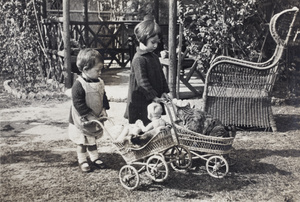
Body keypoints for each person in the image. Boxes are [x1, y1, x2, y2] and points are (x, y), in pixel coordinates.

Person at [68, 48, 110, 172]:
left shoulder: (100, 82)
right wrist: (87, 115)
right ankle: (82, 160)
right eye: (97, 70)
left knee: (92, 139)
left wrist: (104, 108)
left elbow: (103, 96)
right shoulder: (79, 85)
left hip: (95, 116)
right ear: (86, 69)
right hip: (81, 119)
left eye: (101, 69)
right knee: (82, 142)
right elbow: (78, 103)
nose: (100, 73)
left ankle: (95, 158)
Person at [124, 19, 170, 126]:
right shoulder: (139, 59)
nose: (155, 46)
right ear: (142, 39)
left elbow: (161, 75)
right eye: (152, 42)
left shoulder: (153, 56)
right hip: (141, 99)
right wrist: (153, 97)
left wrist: (164, 91)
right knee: (142, 124)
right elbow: (142, 82)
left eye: (157, 43)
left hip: (153, 97)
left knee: (153, 122)